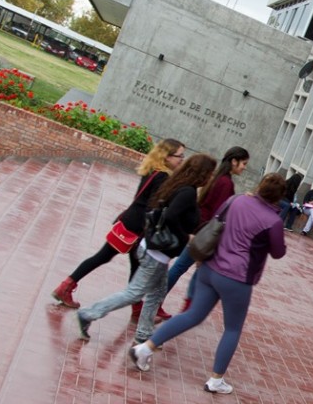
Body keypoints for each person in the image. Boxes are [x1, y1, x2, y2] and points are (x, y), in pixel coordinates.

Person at [129, 173, 288, 394]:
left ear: (260, 187)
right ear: (280, 197)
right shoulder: (273, 221)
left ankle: (145, 348)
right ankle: (216, 380)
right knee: (232, 328)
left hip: (210, 267)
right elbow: (278, 252)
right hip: (238, 278)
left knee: (193, 315)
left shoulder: (237, 200)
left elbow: (216, 219)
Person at [75, 154, 216, 343]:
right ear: (202, 173)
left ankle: (143, 337)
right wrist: (186, 237)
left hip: (154, 250)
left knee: (156, 294)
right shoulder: (187, 192)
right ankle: (89, 313)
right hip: (156, 254)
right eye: (210, 173)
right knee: (134, 293)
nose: (211, 177)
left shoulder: (178, 184)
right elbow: (172, 216)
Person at [51, 138, 185, 310]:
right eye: (179, 156)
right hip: (138, 227)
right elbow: (153, 205)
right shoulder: (163, 176)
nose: (182, 159)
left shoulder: (152, 169)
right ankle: (135, 308)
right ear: (167, 157)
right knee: (118, 261)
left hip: (130, 221)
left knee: (119, 261)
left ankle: (67, 286)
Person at [165, 147, 249, 312]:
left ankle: (187, 306)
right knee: (184, 267)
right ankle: (164, 301)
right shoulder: (226, 183)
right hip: (205, 233)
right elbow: (219, 213)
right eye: (243, 163)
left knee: (192, 269)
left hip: (201, 229)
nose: (244, 167)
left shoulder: (218, 177)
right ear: (234, 161)